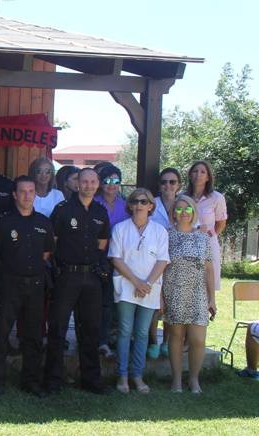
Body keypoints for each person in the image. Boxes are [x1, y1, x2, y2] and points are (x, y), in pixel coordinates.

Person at [44, 167, 111, 395]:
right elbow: (52, 242)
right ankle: (53, 381)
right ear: (77, 184)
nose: (89, 185)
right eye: (85, 181)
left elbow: (102, 244)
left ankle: (91, 380)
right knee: (57, 328)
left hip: (91, 277)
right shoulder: (62, 210)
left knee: (90, 330)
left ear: (97, 184)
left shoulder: (100, 212)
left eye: (93, 181)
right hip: (66, 276)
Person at [0, 176, 54, 397]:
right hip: (9, 285)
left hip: (35, 285)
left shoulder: (44, 223)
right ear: (15, 195)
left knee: (34, 336)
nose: (27, 195)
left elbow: (46, 253)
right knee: (1, 334)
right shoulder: (4, 222)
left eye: (31, 191)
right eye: (23, 191)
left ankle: (31, 381)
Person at [108, 188, 170, 394]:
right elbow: (115, 258)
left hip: (149, 289)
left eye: (143, 202)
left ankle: (138, 375)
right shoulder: (120, 228)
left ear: (151, 206)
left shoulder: (160, 231)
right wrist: (136, 282)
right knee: (125, 331)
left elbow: (162, 260)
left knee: (142, 333)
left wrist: (147, 284)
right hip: (126, 287)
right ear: (130, 205)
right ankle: (122, 376)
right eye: (135, 201)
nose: (139, 205)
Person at [163, 194, 216, 394]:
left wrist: (212, 298)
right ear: (173, 213)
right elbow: (161, 267)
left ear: (193, 212)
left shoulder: (203, 237)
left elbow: (209, 269)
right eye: (179, 209)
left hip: (198, 293)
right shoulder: (166, 235)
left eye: (187, 209)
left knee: (198, 339)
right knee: (176, 336)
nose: (183, 213)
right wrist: (161, 297)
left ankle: (194, 379)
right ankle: (176, 380)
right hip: (174, 290)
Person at [95, 164, 128, 359]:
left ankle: (109, 338)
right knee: (98, 303)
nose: (111, 185)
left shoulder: (126, 205)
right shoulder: (95, 203)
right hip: (98, 259)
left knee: (113, 303)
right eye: (107, 181)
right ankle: (97, 340)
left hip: (120, 260)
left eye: (116, 181)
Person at [148, 167, 181, 359]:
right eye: (164, 182)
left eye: (172, 182)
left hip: (177, 262)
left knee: (170, 304)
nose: (168, 186)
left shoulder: (184, 204)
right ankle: (153, 341)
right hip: (154, 261)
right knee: (154, 304)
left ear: (178, 185)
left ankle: (167, 342)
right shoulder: (152, 204)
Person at [186, 161, 227, 292]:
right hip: (187, 243)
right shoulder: (183, 197)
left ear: (208, 177)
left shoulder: (217, 198)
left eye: (203, 172)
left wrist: (210, 235)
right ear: (190, 175)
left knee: (208, 283)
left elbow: (221, 222)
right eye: (195, 171)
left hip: (208, 244)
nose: (198, 174)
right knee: (189, 283)